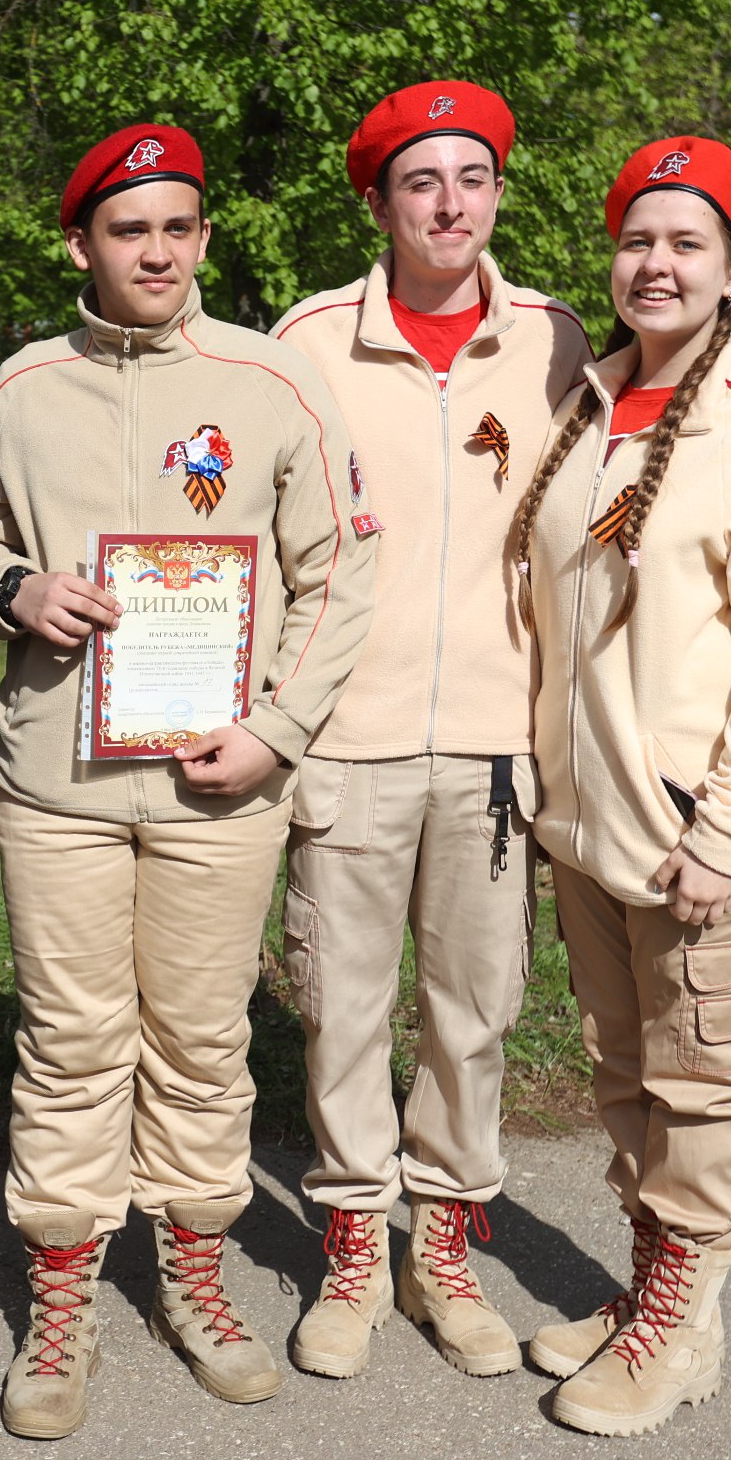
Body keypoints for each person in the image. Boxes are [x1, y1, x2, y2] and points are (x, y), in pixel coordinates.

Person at [0, 123, 375, 1439]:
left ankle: (193, 1269)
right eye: (128, 227)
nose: (155, 248)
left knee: (201, 1041)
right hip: (61, 786)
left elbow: (337, 570)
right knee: (71, 1044)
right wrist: (12, 586)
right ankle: (64, 1291)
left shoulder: (271, 383)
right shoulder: (25, 387)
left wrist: (278, 728)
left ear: (203, 238)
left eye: (177, 226)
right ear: (82, 242)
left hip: (219, 784)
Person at [510, 136, 731, 1436]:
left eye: (686, 243)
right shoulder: (594, 404)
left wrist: (729, 827)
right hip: (592, 827)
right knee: (625, 1068)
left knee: (701, 1080)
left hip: (704, 838)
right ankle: (657, 1280)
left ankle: (682, 1328)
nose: (655, 263)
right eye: (639, 239)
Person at [266, 81, 591, 1380]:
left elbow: (599, 552)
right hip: (346, 738)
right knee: (342, 1007)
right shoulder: (308, 343)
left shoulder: (561, 346)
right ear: (380, 201)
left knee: (473, 1010)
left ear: (500, 191)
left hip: (498, 749)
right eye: (421, 182)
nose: (449, 203)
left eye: (472, 177)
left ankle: (441, 1249)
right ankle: (352, 1241)